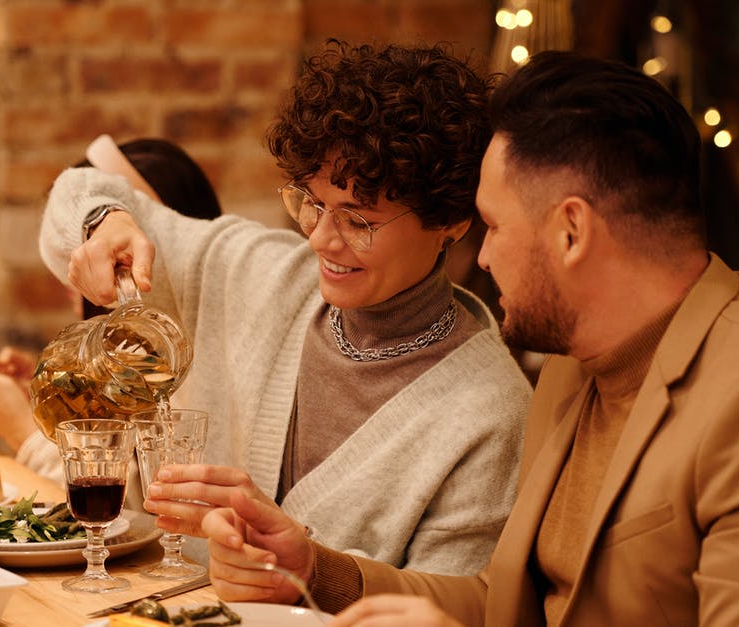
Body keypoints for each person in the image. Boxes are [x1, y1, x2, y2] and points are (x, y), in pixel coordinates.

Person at [192, 50, 739, 625]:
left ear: (571, 231)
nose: (485, 255)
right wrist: (314, 569)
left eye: (494, 226)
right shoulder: (574, 366)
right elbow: (505, 603)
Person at [39, 41, 532, 575]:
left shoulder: (489, 412)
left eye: (358, 221)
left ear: (451, 222)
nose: (321, 239)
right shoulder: (259, 273)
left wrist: (311, 569)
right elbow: (79, 187)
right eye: (311, 204)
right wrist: (106, 223)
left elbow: (445, 603)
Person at [0, 135, 222, 480]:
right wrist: (70, 390)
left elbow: (135, 499)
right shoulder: (144, 358)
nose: (70, 278)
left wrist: (22, 430)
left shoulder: (199, 370)